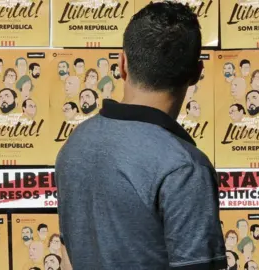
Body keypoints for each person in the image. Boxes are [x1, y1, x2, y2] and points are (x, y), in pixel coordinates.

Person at [55, 2, 226, 269]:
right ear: (196, 74)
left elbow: (68, 256)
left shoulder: (77, 143)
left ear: (122, 64)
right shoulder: (184, 167)